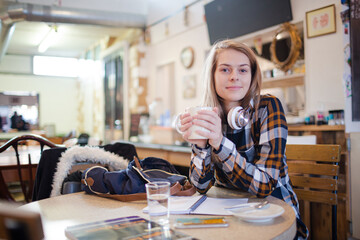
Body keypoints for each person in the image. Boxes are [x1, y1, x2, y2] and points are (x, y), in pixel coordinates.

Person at [177, 40, 308, 239]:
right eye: (225, 69)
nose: (234, 77)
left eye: (243, 70)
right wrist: (201, 145)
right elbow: (200, 186)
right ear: (212, 75)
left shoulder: (268, 107)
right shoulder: (207, 115)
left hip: (275, 217)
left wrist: (220, 143)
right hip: (229, 216)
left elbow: (265, 186)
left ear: (252, 75)